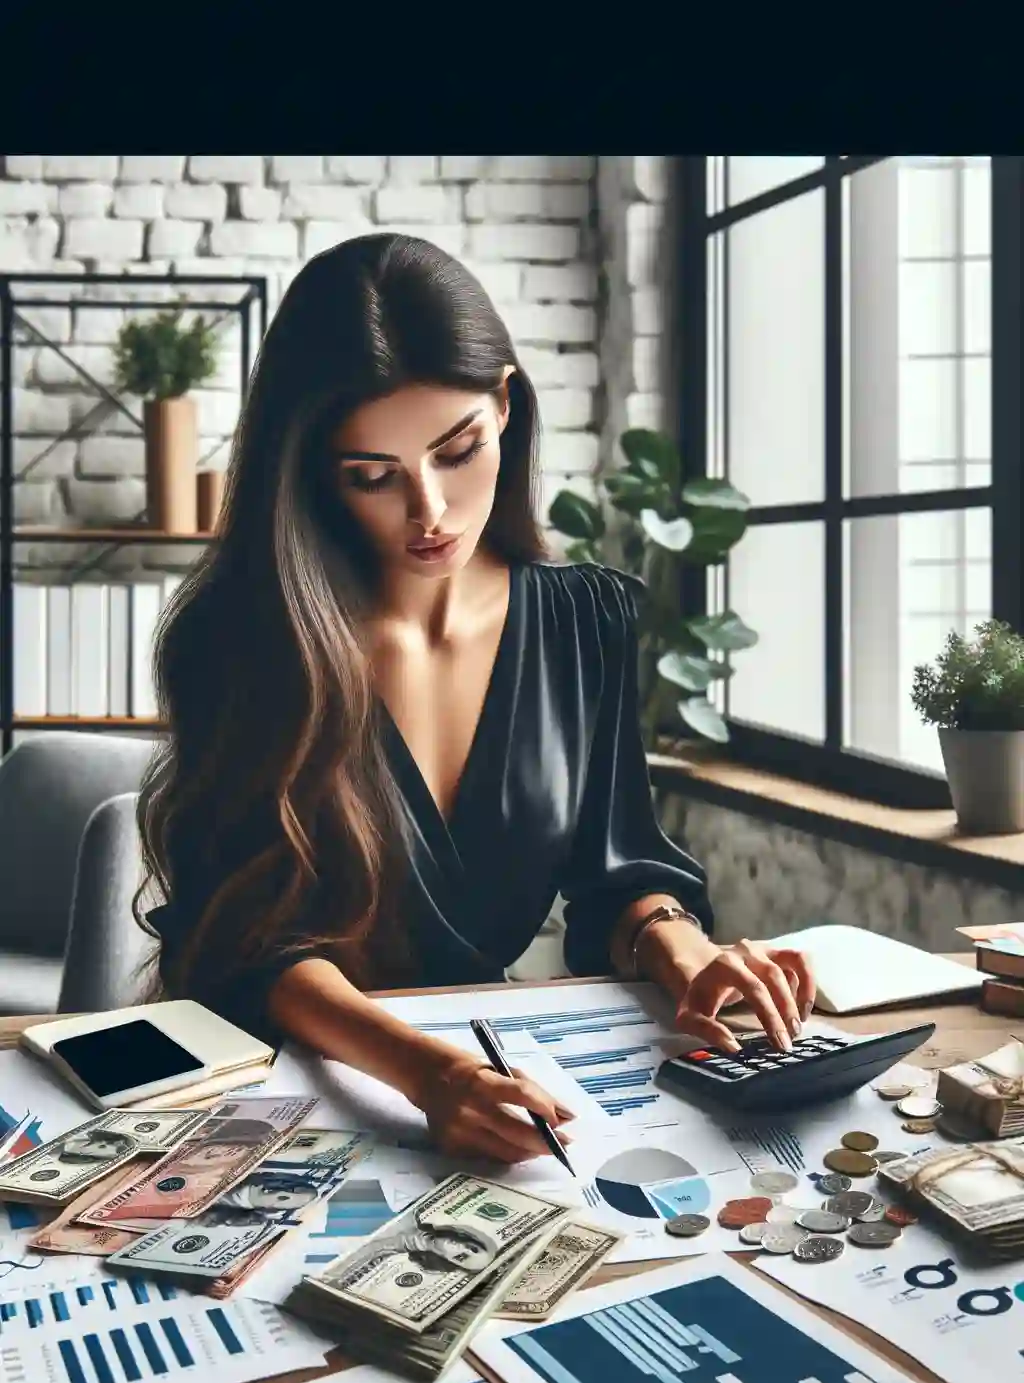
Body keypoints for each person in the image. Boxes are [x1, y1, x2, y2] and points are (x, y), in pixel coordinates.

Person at [138, 233, 814, 1170]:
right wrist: (429, 1077)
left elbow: (615, 870)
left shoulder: (588, 618)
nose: (430, 511)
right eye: (371, 475)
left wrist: (682, 948)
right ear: (311, 473)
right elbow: (245, 946)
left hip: (483, 1080)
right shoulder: (237, 639)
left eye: (458, 451)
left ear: (506, 405)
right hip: (285, 1083)